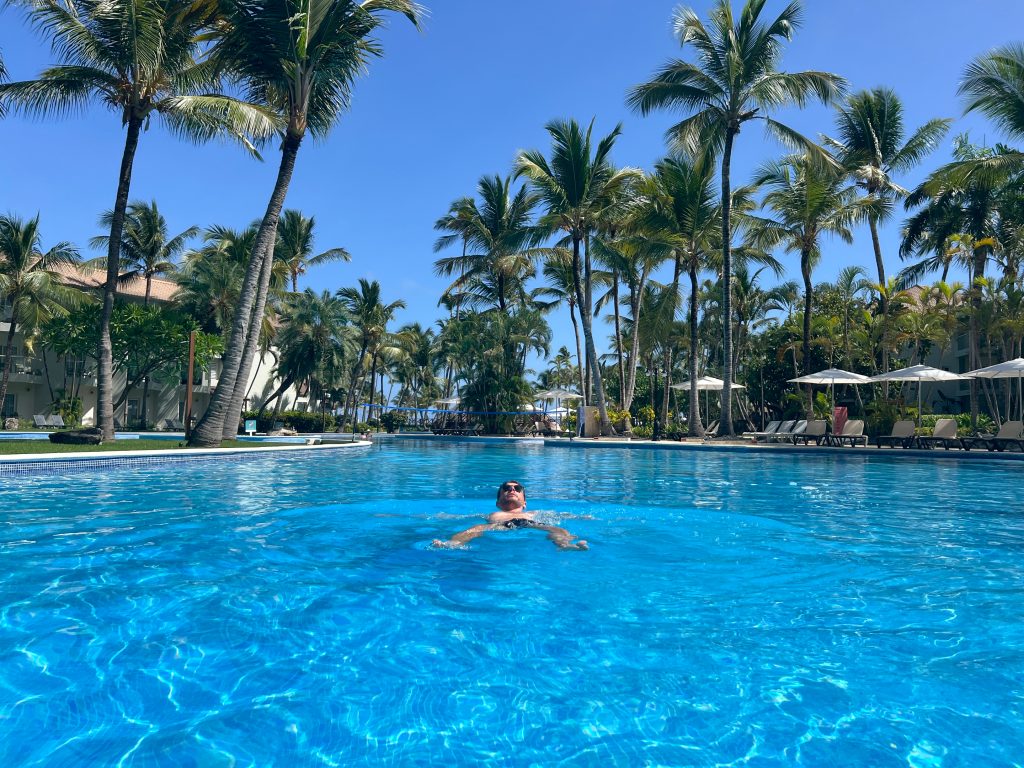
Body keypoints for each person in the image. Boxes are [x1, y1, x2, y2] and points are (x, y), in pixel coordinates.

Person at [432, 480, 588, 550]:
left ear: (525, 503)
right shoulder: (493, 514)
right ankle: (454, 544)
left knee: (557, 530)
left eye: (517, 488)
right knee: (475, 528)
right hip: (497, 526)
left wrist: (584, 517)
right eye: (506, 488)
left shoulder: (533, 513)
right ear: (498, 502)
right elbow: (460, 518)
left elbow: (562, 515)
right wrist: (441, 516)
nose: (512, 490)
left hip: (529, 524)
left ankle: (565, 545)